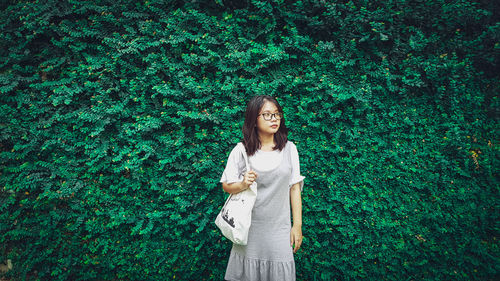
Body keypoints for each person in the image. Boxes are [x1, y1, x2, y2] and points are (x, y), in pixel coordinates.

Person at [220, 95, 305, 281]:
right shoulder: (241, 150)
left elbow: (294, 189)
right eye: (267, 114)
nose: (274, 119)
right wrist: (243, 184)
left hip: (280, 230)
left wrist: (297, 225)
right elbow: (226, 185)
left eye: (276, 114)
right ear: (254, 119)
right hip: (248, 229)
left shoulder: (290, 149)